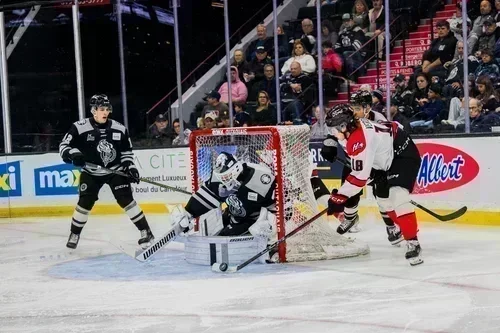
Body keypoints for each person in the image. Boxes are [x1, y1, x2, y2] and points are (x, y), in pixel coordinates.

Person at [324, 104, 423, 266]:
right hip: (384, 157)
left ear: (344, 126)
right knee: (384, 200)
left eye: (333, 129)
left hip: (402, 153)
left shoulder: (359, 138)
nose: (332, 133)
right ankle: (402, 228)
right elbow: (361, 169)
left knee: (397, 195)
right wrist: (330, 141)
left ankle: (413, 241)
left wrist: (338, 198)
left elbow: (359, 178)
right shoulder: (350, 131)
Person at [59, 94, 154, 250]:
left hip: (115, 171)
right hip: (91, 172)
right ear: (93, 110)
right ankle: (74, 233)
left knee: (126, 200)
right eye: (101, 109)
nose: (105, 112)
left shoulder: (119, 128)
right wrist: (73, 154)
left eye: (107, 109)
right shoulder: (79, 127)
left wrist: (130, 167)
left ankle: (146, 231)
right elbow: (64, 145)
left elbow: (126, 152)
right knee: (84, 203)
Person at [321, 92, 403, 246]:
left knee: (381, 195)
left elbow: (386, 146)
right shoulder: (348, 117)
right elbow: (335, 128)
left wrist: (380, 170)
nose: (353, 111)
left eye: (357, 107)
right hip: (353, 159)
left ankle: (391, 226)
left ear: (368, 108)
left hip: (376, 163)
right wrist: (329, 142)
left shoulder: (378, 120)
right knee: (349, 189)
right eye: (352, 107)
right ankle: (350, 218)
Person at [170, 152, 276, 239]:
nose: (223, 180)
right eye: (221, 176)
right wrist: (189, 213)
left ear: (236, 169)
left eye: (226, 176)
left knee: (223, 240)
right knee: (214, 235)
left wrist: (270, 225)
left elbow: (283, 209)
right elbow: (206, 196)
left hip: (252, 221)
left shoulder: (261, 180)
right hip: (232, 215)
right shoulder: (218, 179)